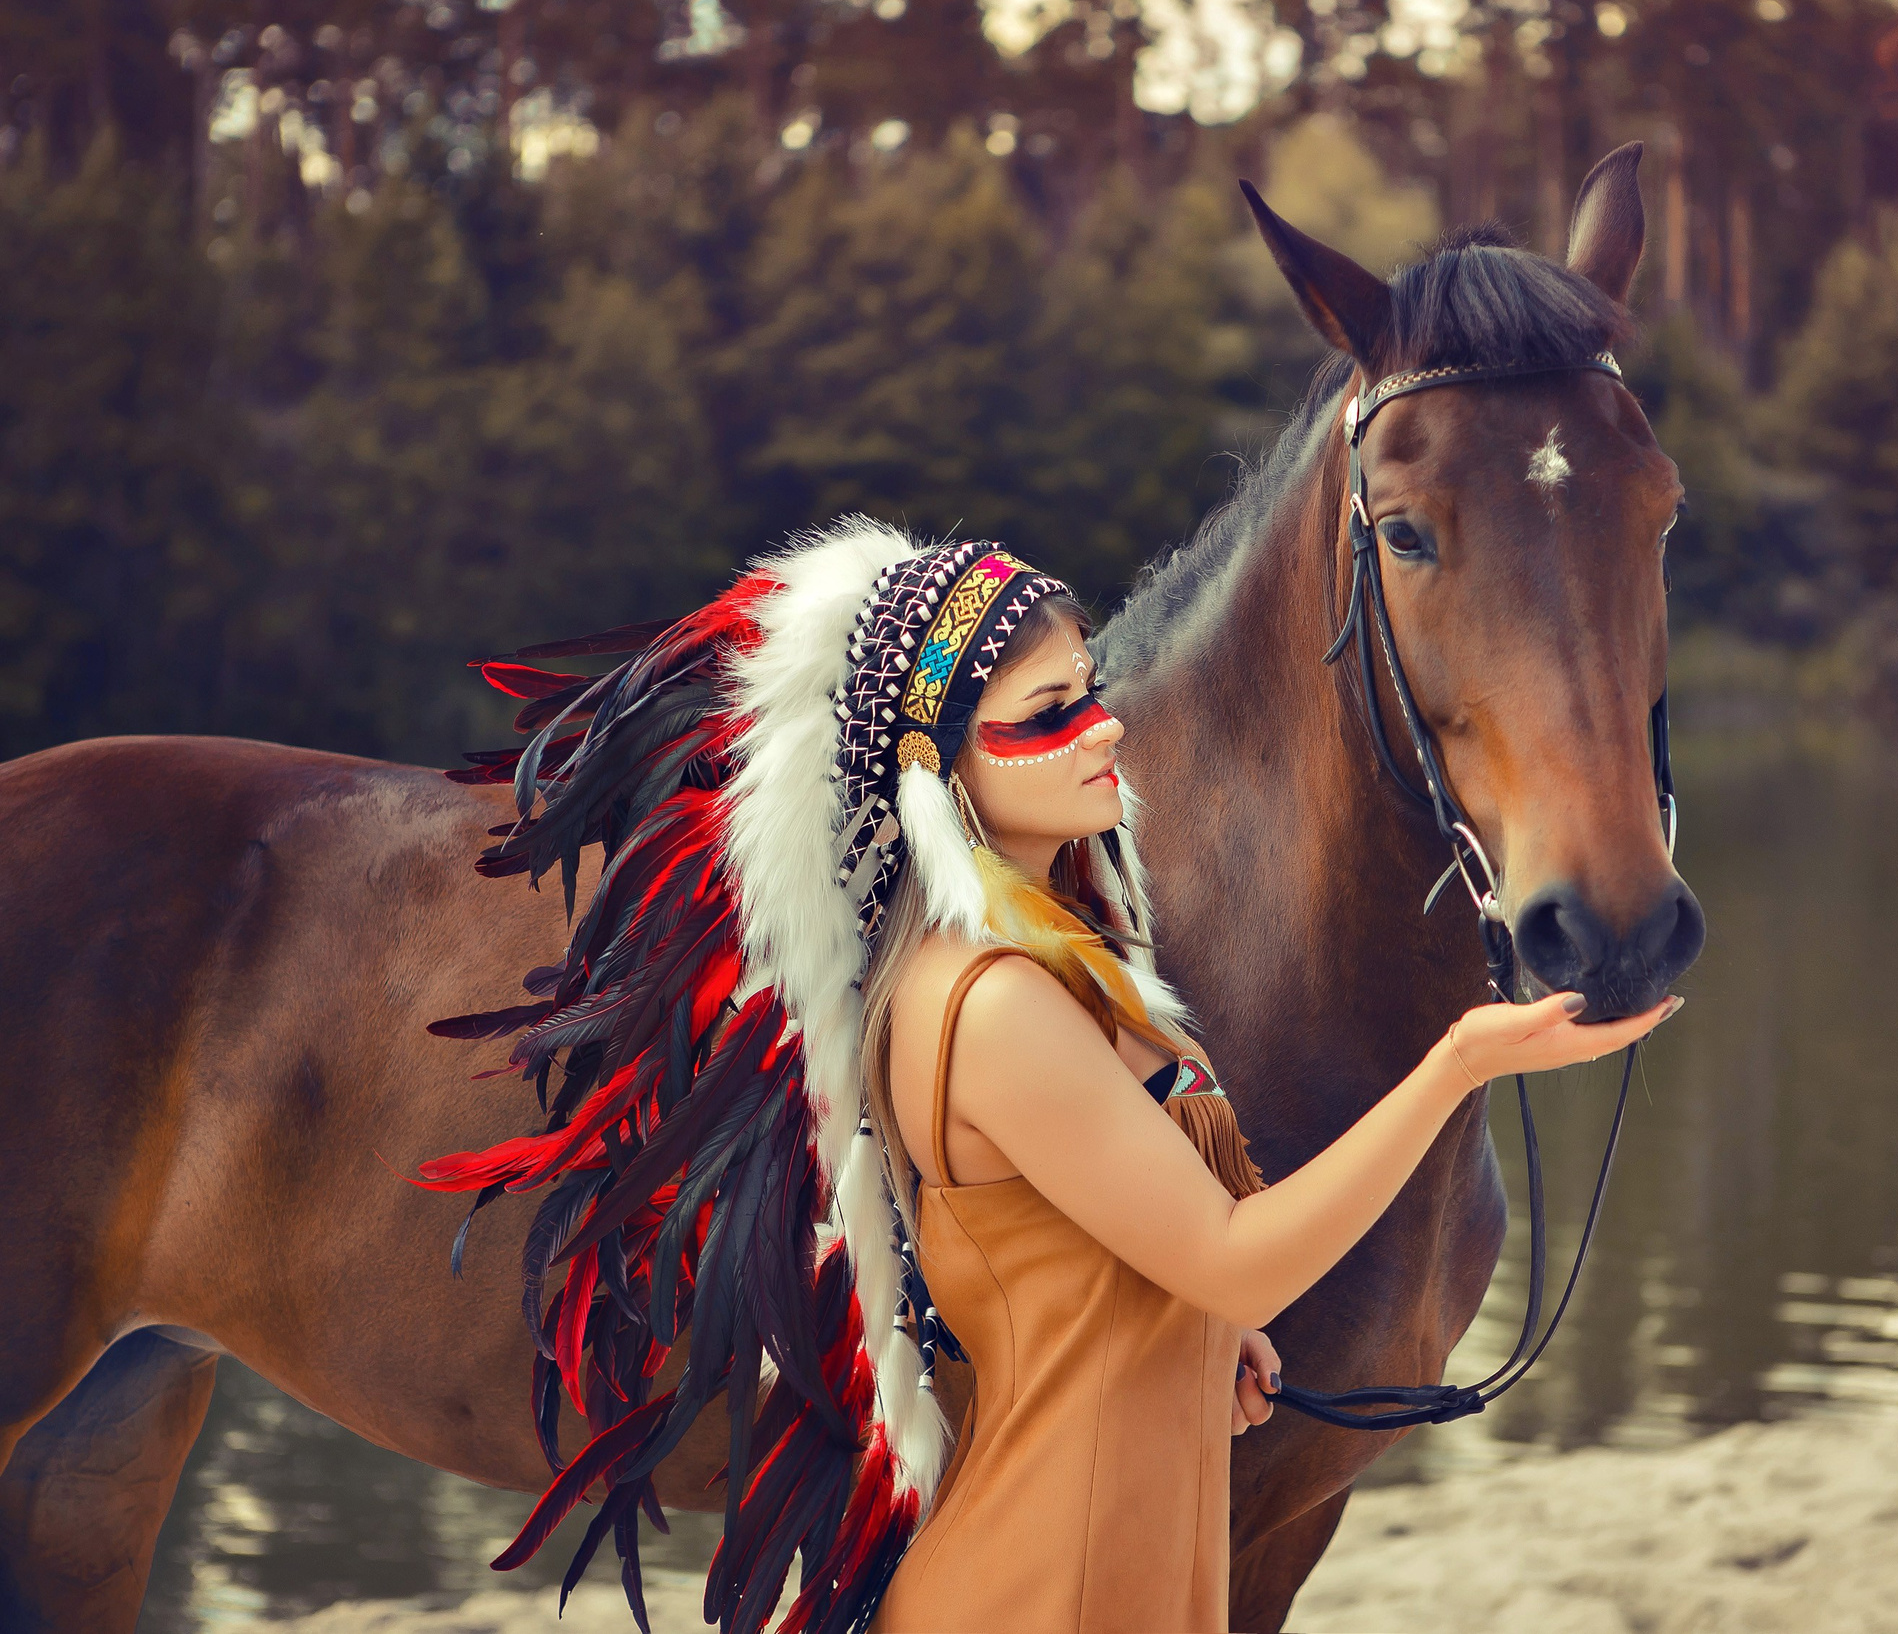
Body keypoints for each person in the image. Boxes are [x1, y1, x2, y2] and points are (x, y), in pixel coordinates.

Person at [420, 517, 1676, 1634]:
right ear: (937, 769)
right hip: (1047, 1586)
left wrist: (1185, 1337)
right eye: (1044, 717)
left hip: (1122, 1563)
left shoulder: (1069, 959)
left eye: (1089, 690)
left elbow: (1101, 1254)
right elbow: (1237, 1251)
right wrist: (1460, 1060)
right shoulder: (993, 1004)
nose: (1102, 731)